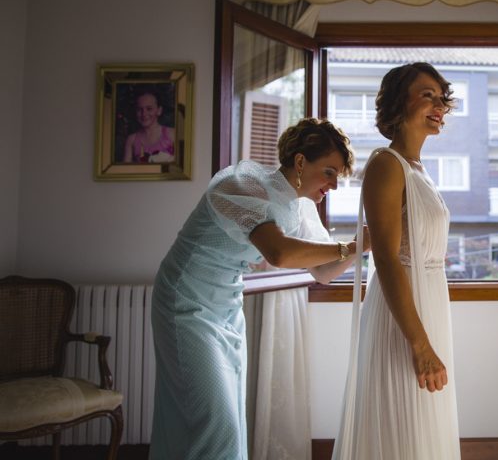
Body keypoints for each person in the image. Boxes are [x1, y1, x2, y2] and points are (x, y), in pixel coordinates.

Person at [150, 117, 369, 460]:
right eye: (329, 172)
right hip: (184, 301)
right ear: (300, 161)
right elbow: (278, 252)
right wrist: (347, 247)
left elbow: (324, 271)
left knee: (230, 414)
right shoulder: (243, 184)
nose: (334, 185)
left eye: (338, 176)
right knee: (217, 419)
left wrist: (362, 245)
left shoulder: (302, 207)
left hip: (226, 306)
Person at [332, 62, 461, 460]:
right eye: (427, 95)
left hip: (429, 305)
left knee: (424, 426)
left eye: (442, 98)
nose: (438, 106)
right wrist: (420, 345)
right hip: (401, 319)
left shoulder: (418, 170)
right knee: (402, 427)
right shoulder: (387, 165)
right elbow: (386, 259)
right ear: (398, 102)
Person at [123, 90, 176, 163]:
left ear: (159, 110)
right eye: (139, 109)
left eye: (149, 109)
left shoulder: (172, 134)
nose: (144, 114)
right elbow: (125, 168)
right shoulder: (131, 140)